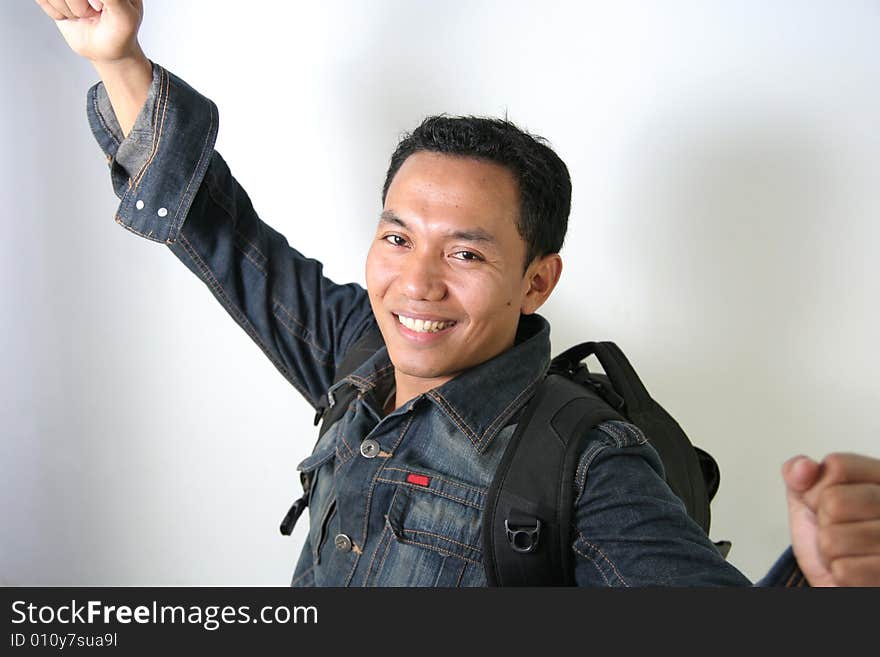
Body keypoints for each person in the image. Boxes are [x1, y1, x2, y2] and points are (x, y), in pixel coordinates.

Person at [37, 0, 880, 586]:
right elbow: (220, 233)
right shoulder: (357, 347)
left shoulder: (583, 467)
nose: (416, 282)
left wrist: (828, 578)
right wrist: (118, 57)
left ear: (537, 279)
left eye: (466, 252)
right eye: (398, 235)